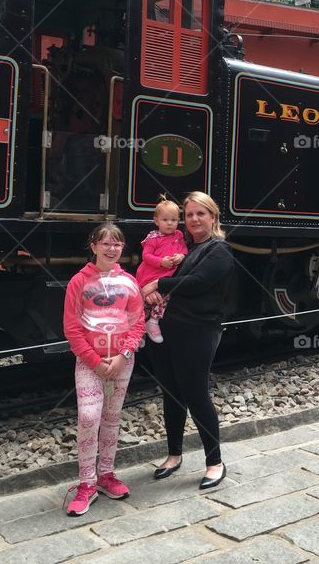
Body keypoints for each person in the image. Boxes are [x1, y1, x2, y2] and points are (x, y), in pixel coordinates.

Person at [140, 191, 235, 490]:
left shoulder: (218, 250)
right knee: (171, 394)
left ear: (213, 217)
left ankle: (215, 462)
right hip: (168, 332)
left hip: (198, 331)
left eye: (200, 214)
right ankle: (174, 455)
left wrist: (158, 283)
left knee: (196, 394)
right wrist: (152, 288)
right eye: (189, 214)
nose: (193, 219)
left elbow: (197, 284)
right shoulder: (186, 248)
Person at [62, 223, 145, 516]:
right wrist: (96, 361)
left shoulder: (129, 282)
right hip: (89, 362)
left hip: (122, 361)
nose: (112, 249)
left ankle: (106, 474)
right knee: (88, 416)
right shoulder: (78, 282)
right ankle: (86, 483)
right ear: (93, 246)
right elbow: (72, 329)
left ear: (123, 249)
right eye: (106, 243)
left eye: (117, 244)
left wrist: (123, 355)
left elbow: (137, 322)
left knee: (111, 417)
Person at [134, 198, 187, 343]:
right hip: (150, 274)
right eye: (165, 220)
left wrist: (181, 256)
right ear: (156, 221)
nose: (170, 223)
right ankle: (138, 331)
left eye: (174, 220)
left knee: (164, 298)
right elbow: (146, 256)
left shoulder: (179, 235)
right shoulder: (153, 238)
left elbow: (184, 249)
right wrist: (161, 262)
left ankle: (153, 322)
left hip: (164, 277)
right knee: (142, 303)